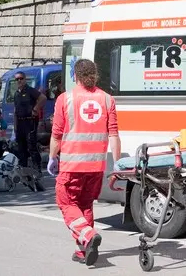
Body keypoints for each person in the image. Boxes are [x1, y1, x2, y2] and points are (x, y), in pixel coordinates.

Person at [48, 58, 121, 267]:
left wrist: (53, 158)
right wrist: (117, 165)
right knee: (84, 204)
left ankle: (88, 235)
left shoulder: (65, 99)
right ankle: (83, 250)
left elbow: (57, 135)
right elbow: (114, 135)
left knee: (66, 203)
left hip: (72, 166)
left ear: (75, 76)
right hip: (97, 167)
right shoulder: (108, 99)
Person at [13, 71, 47, 173]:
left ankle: (37, 169)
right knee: (21, 147)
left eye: (21, 78)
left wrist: (35, 109)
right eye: (17, 79)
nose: (19, 80)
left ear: (25, 79)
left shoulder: (30, 90)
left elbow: (43, 98)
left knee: (31, 146)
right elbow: (15, 110)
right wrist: (15, 126)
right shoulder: (16, 94)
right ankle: (24, 169)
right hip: (20, 123)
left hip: (30, 122)